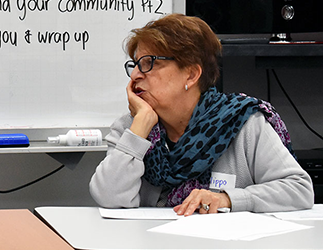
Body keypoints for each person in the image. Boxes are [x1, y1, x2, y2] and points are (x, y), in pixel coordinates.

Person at [89, 13, 314, 215]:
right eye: (136, 64)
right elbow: (108, 197)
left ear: (191, 75)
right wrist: (139, 130)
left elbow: (298, 189)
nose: (136, 74)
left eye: (149, 63)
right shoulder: (132, 127)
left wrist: (227, 199)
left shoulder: (241, 122)